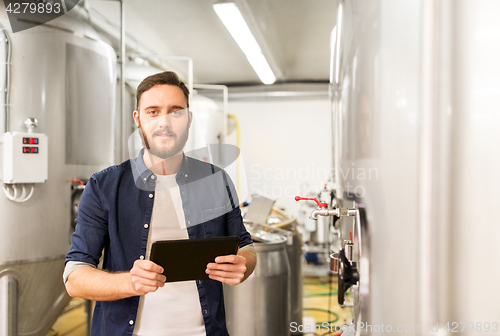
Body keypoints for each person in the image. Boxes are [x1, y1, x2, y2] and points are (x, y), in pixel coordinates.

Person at [64, 71, 256, 336]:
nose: (164, 122)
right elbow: (75, 277)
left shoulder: (215, 180)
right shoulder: (103, 186)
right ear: (138, 119)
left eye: (175, 111)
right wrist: (130, 282)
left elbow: (246, 247)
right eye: (153, 112)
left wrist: (243, 264)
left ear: (189, 119)